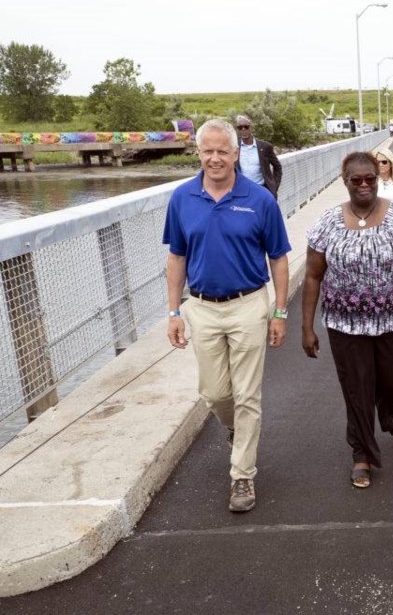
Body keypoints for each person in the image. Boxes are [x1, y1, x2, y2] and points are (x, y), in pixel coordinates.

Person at [163, 118, 290, 513]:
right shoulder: (183, 198)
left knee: (248, 394)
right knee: (216, 393)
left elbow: (279, 258)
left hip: (249, 304)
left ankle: (242, 477)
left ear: (237, 154)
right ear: (198, 153)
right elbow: (176, 256)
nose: (215, 158)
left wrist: (279, 310)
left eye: (223, 151)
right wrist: (173, 311)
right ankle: (234, 426)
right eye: (208, 151)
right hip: (201, 307)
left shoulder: (259, 199)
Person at [302, 151, 393, 489]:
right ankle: (361, 454)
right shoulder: (328, 221)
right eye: (355, 180)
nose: (363, 185)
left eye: (369, 179)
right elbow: (313, 276)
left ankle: (389, 410)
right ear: (344, 182)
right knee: (356, 388)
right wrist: (307, 327)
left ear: (378, 178)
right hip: (345, 324)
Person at [234, 115, 283, 199]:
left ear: (251, 128)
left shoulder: (265, 147)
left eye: (246, 127)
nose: (243, 129)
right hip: (243, 192)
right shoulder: (235, 147)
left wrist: (274, 186)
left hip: (263, 190)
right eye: (240, 127)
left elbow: (277, 167)